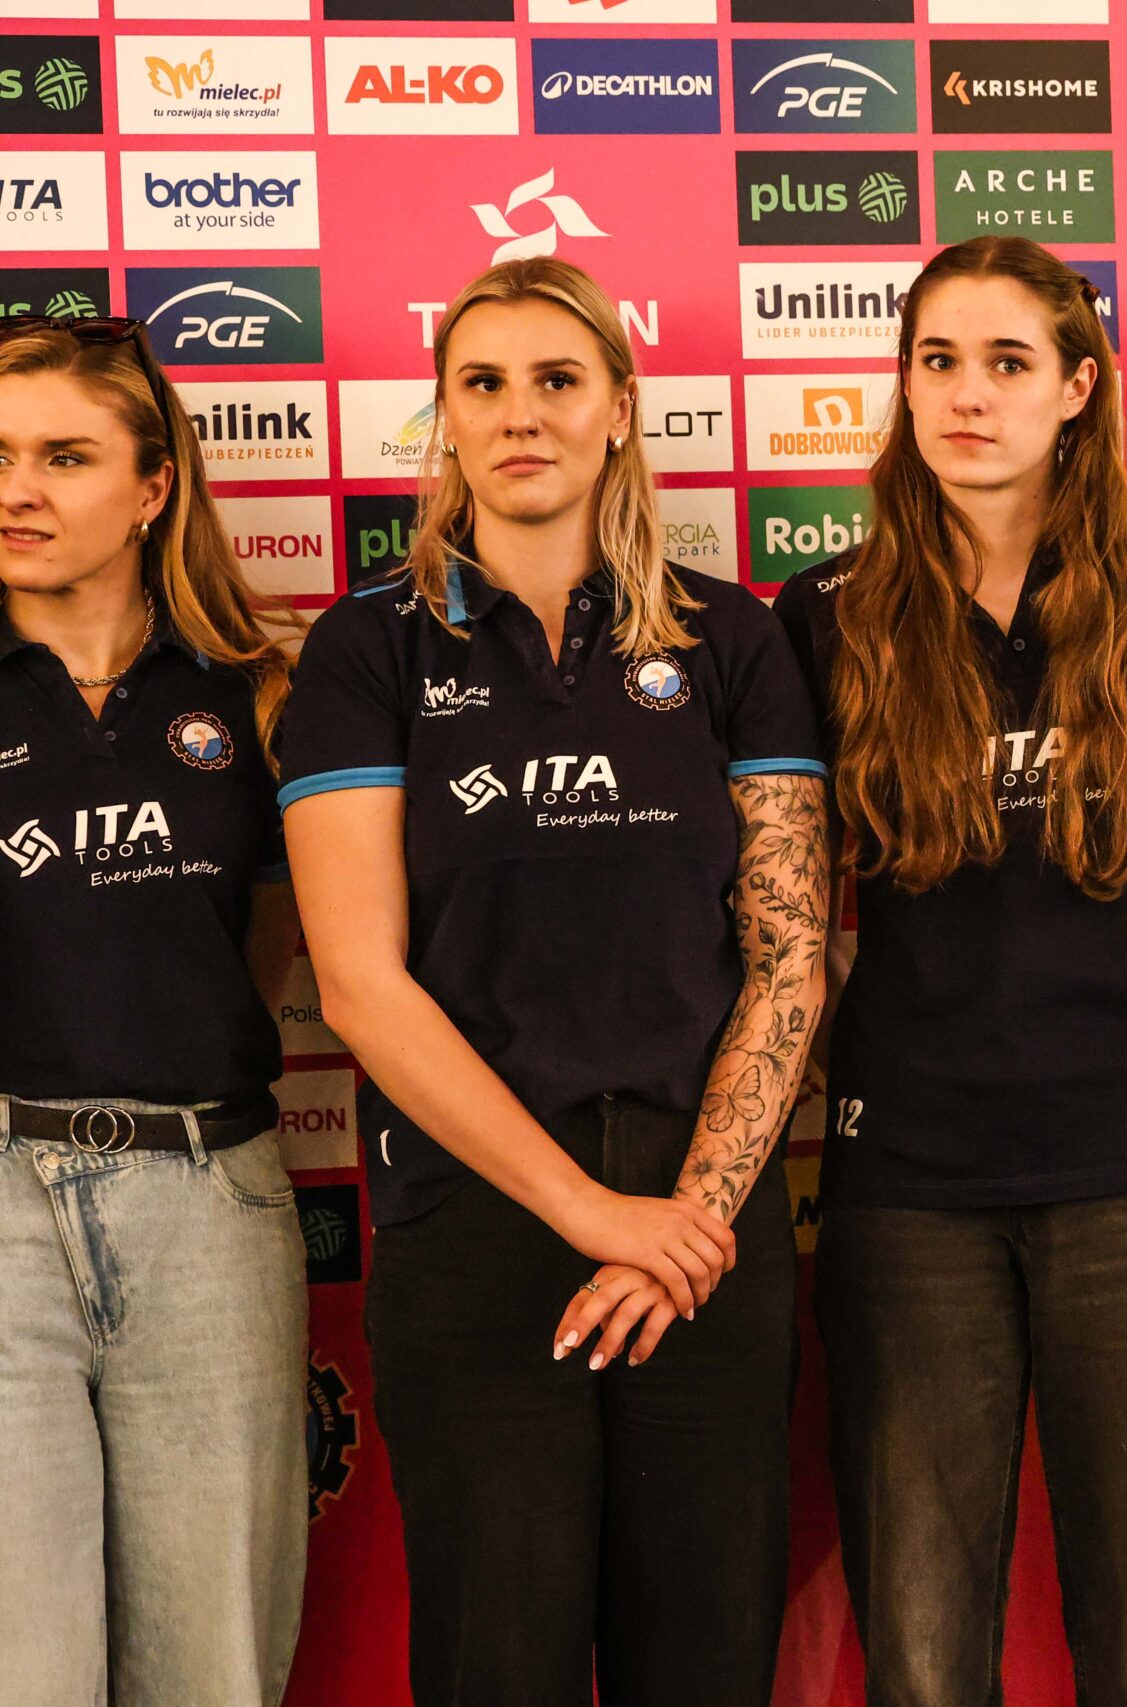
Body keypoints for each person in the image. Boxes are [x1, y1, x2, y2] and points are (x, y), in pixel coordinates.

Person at [277, 259, 830, 1707]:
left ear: (621, 411)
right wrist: (589, 1213)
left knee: (704, 1665)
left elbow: (788, 955)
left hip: (704, 1229)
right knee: (498, 1666)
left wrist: (686, 1220)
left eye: (558, 380)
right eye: (484, 383)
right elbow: (359, 985)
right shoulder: (366, 649)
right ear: (446, 418)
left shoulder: (732, 637)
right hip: (477, 1223)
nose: (520, 414)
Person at [773, 235, 1127, 1704]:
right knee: (924, 1658)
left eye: (1006, 363)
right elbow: (793, 923)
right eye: (937, 362)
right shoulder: (824, 614)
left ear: (1078, 388)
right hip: (911, 1186)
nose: (967, 396)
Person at [0, 315, 307, 1706]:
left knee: (213, 1669)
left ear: (153, 485)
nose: (21, 491)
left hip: (210, 1196)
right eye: (0, 458)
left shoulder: (264, 692)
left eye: (66, 457)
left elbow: (274, 949)